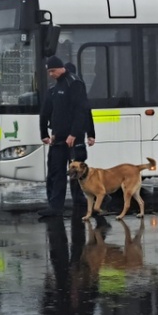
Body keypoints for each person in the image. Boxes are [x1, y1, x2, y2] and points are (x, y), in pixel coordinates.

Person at [38, 56, 90, 218]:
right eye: (49, 72)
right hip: (58, 138)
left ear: (61, 68)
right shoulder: (56, 86)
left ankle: (90, 198)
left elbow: (81, 111)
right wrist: (45, 134)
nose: (51, 74)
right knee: (56, 172)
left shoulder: (74, 83)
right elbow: (47, 112)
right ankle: (55, 207)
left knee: (78, 172)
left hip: (72, 139)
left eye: (52, 71)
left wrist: (74, 134)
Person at [64, 61, 96, 208]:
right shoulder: (77, 84)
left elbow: (83, 111)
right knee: (77, 164)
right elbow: (87, 110)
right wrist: (91, 133)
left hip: (74, 133)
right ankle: (80, 195)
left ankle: (80, 195)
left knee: (75, 165)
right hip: (78, 133)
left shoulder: (73, 85)